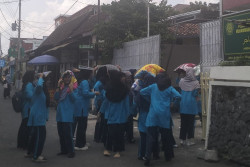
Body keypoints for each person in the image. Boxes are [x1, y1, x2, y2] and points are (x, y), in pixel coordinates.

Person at [140, 72, 181, 166]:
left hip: (153, 115)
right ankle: (168, 156)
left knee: (151, 137)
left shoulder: (153, 86)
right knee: (166, 137)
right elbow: (179, 96)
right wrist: (173, 103)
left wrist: (150, 99)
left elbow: (142, 92)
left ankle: (147, 156)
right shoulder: (169, 88)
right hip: (164, 115)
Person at [104, 70, 130, 158]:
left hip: (120, 114)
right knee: (110, 132)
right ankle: (108, 149)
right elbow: (106, 102)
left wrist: (128, 113)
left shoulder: (124, 89)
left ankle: (118, 150)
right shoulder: (109, 88)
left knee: (119, 133)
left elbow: (126, 103)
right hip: (113, 113)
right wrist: (101, 111)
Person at [26, 73, 50, 162]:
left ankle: (30, 152)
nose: (49, 82)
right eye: (47, 81)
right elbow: (39, 86)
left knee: (35, 135)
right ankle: (36, 156)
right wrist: (41, 77)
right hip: (38, 116)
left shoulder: (42, 91)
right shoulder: (38, 89)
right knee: (41, 136)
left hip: (39, 116)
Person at [74, 69, 99, 151]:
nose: (92, 74)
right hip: (82, 106)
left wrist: (94, 74)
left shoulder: (83, 81)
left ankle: (82, 142)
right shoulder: (84, 82)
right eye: (91, 73)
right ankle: (79, 144)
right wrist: (94, 94)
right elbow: (85, 93)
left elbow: (92, 84)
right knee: (82, 125)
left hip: (80, 105)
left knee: (82, 125)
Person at [54, 70, 77, 158]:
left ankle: (71, 151)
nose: (67, 79)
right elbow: (56, 98)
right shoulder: (62, 88)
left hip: (67, 115)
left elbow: (74, 99)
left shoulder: (74, 87)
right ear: (62, 79)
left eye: (68, 77)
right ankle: (63, 150)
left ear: (71, 78)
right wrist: (58, 87)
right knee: (61, 134)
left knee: (68, 134)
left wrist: (71, 91)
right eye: (65, 77)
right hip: (60, 114)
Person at [133, 74, 155, 160]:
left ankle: (140, 154)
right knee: (151, 136)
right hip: (152, 115)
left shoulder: (141, 90)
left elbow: (135, 103)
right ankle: (148, 154)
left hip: (142, 115)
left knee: (143, 136)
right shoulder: (154, 90)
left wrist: (134, 112)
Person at [179, 67, 200, 146]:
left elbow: (180, 90)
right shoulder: (196, 83)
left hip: (183, 104)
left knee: (183, 123)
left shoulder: (181, 81)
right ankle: (189, 140)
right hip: (191, 105)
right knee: (190, 124)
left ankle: (182, 139)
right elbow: (195, 94)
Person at [17, 71, 35, 150]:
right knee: (26, 127)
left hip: (25, 108)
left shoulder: (25, 84)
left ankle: (21, 143)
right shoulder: (29, 85)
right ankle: (24, 143)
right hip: (28, 108)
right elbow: (29, 95)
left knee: (24, 126)